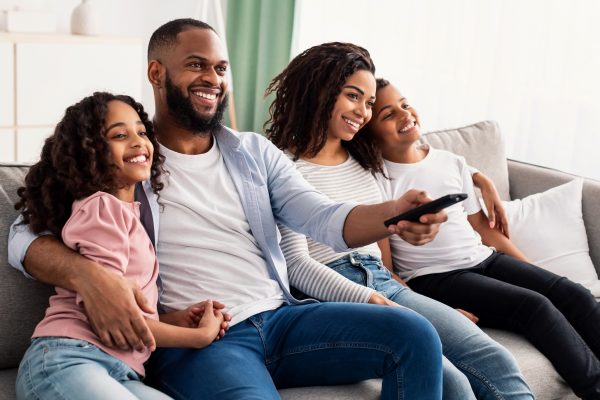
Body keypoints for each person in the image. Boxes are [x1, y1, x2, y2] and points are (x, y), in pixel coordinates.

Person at [8, 19, 450, 399]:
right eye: (197, 65)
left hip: (283, 318)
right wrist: (91, 277)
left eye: (221, 68)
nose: (213, 79)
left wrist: (394, 214)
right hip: (206, 342)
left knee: (414, 335)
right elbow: (24, 235)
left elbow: (323, 217)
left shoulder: (253, 152)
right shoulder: (122, 163)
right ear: (156, 72)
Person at [265, 41, 533, 400]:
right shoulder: (283, 167)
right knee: (452, 384)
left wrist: (478, 177)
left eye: (369, 103)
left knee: (494, 358)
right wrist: (375, 300)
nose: (363, 112)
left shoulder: (365, 160)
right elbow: (296, 266)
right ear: (320, 91)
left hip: (388, 285)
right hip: (334, 293)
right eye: (353, 96)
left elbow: (424, 162)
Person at [366, 78, 600, 399]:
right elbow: (387, 270)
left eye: (405, 104)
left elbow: (485, 232)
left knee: (572, 294)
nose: (405, 114)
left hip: (485, 258)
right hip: (437, 279)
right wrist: (440, 311)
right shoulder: (376, 182)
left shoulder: (452, 162)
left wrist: (539, 275)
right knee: (536, 307)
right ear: (371, 134)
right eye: (388, 114)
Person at [13, 92, 227, 400]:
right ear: (90, 151)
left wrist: (174, 318)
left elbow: (129, 312)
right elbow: (116, 314)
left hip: (120, 370)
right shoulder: (102, 210)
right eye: (120, 135)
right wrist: (197, 336)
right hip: (68, 360)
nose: (139, 141)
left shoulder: (130, 216)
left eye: (142, 132)